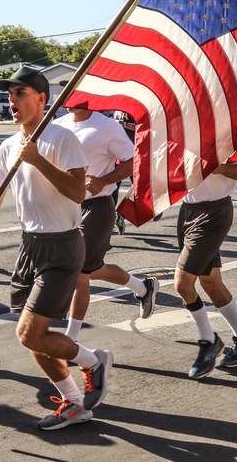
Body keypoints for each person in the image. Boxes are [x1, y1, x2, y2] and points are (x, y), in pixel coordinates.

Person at [0, 67, 111, 431]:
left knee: (28, 333)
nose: (12, 100)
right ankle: (74, 403)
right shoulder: (9, 145)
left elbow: (78, 192)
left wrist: (38, 158)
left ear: (42, 98)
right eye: (9, 95)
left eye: (20, 93)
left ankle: (92, 362)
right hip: (29, 246)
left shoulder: (62, 137)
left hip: (62, 245)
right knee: (34, 339)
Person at [52, 100, 158, 340]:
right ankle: (142, 287)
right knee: (92, 269)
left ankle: (71, 339)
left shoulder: (107, 127)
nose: (70, 99)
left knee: (79, 273)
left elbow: (135, 162)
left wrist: (104, 180)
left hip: (96, 207)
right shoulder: (58, 126)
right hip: (64, 207)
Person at [178, 151, 237, 379]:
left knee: (183, 285)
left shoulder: (226, 133)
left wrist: (219, 167)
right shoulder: (181, 132)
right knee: (210, 281)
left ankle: (209, 341)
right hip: (188, 210)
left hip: (213, 212)